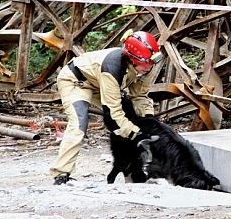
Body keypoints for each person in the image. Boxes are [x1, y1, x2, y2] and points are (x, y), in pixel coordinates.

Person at [50, 29, 163, 185]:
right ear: (130, 59)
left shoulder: (148, 63)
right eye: (144, 64)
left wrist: (149, 122)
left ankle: (131, 172)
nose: (148, 67)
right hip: (76, 82)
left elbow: (140, 97)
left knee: (131, 115)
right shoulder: (113, 67)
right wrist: (137, 134)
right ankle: (62, 174)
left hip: (100, 82)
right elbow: (114, 113)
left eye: (151, 63)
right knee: (79, 123)